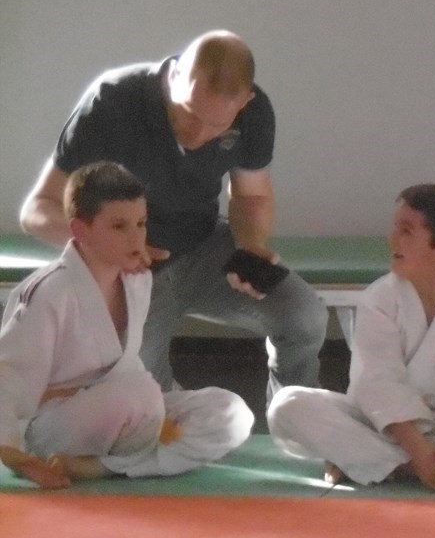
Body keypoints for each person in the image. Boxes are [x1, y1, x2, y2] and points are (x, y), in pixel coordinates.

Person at [20, 31, 327, 402]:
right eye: (188, 115)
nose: (198, 135)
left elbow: (251, 195)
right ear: (173, 75)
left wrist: (250, 245)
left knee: (305, 317)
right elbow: (38, 210)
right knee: (146, 399)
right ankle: (171, 419)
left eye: (217, 126)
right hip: (129, 272)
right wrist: (115, 249)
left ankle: (297, 420)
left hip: (204, 246)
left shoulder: (256, 112)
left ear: (245, 102)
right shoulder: (114, 101)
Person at [1, 162, 252, 488]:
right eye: (119, 226)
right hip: (55, 428)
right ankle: (140, 458)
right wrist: (14, 456)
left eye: (141, 223)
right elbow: (9, 376)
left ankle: (103, 466)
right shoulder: (49, 291)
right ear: (80, 230)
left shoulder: (137, 280)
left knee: (231, 411)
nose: (136, 237)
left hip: (125, 412)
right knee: (137, 392)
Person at [266, 184, 435, 489]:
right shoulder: (379, 298)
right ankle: (420, 467)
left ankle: (373, 460)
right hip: (385, 424)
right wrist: (420, 456)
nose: (392, 239)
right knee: (288, 405)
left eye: (406, 231)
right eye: (396, 228)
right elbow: (378, 383)